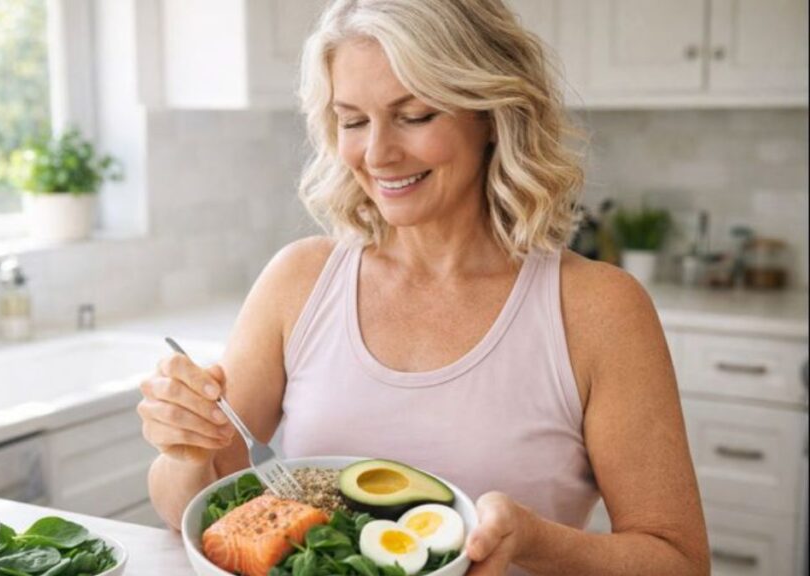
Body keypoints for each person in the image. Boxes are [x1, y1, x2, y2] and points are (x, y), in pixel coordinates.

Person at [137, 1, 709, 574]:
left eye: (414, 116)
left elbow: (680, 562)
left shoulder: (597, 309)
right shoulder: (299, 281)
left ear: (492, 114)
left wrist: (536, 541)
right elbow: (193, 504)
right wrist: (185, 452)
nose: (378, 154)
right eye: (353, 121)